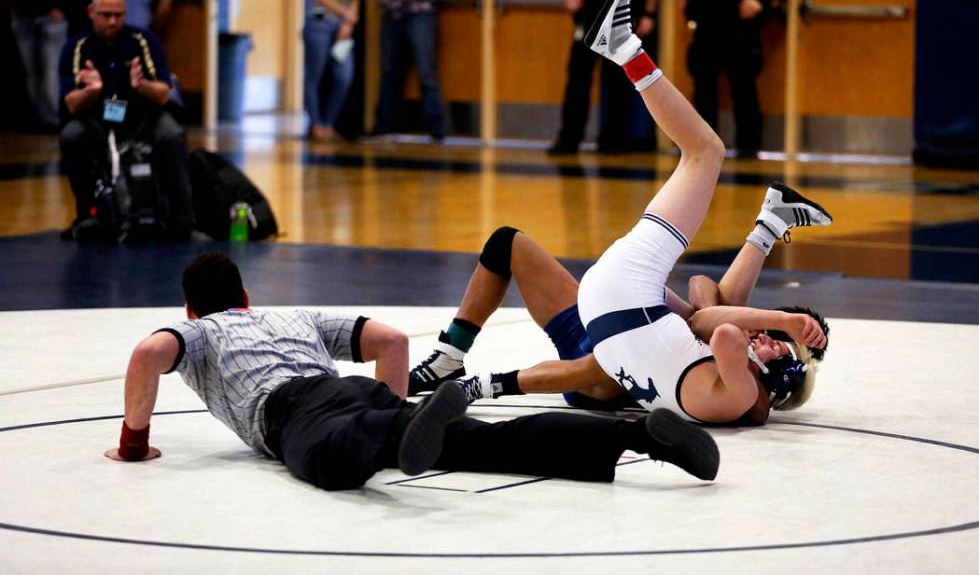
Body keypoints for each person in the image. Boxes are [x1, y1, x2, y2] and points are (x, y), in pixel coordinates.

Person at [410, 0, 830, 426]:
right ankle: (448, 355)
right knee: (506, 242)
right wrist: (754, 290)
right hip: (617, 317)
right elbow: (703, 295)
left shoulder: (734, 379)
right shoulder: (719, 357)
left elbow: (596, 367)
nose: (762, 336)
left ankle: (625, 48)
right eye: (769, 334)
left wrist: (489, 386)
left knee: (705, 152)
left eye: (772, 343)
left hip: (616, 335)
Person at [103, 252, 720, 491]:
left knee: (327, 460)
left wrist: (134, 446)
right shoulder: (291, 315)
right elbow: (391, 339)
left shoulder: (200, 332)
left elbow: (146, 356)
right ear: (244, 295)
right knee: (494, 443)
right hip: (350, 389)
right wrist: (389, 402)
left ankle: (398, 432)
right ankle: (640, 436)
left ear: (191, 309)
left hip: (291, 409)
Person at [58, 0, 194, 241]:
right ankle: (87, 214)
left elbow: (163, 93)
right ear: (91, 12)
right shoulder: (77, 47)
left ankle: (184, 219)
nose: (112, 21)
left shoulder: (143, 41)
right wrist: (92, 91)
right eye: (105, 14)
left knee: (173, 134)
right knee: (72, 135)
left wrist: (141, 85)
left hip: (142, 118)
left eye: (118, 15)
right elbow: (72, 104)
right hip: (98, 120)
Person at [549, 0, 659, 155]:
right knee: (578, 81)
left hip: (621, 24)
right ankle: (569, 139)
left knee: (619, 84)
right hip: (590, 21)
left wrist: (649, 13)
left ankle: (613, 140)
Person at [678, 0, 784, 159]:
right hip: (706, 24)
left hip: (739, 26)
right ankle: (704, 148)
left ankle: (749, 145)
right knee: (703, 88)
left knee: (744, 86)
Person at [371, 0, 446, 142]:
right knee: (389, 71)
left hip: (420, 15)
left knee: (426, 71)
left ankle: (436, 129)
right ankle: (383, 127)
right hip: (393, 14)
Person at [6, 0, 73, 129]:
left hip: (51, 19)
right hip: (23, 17)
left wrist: (63, 8)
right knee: (30, 72)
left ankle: (55, 117)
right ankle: (38, 118)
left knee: (51, 70)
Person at [304, 0, 360, 142]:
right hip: (319, 24)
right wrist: (344, 13)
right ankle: (316, 124)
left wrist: (348, 22)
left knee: (343, 77)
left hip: (342, 29)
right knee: (314, 76)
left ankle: (328, 123)